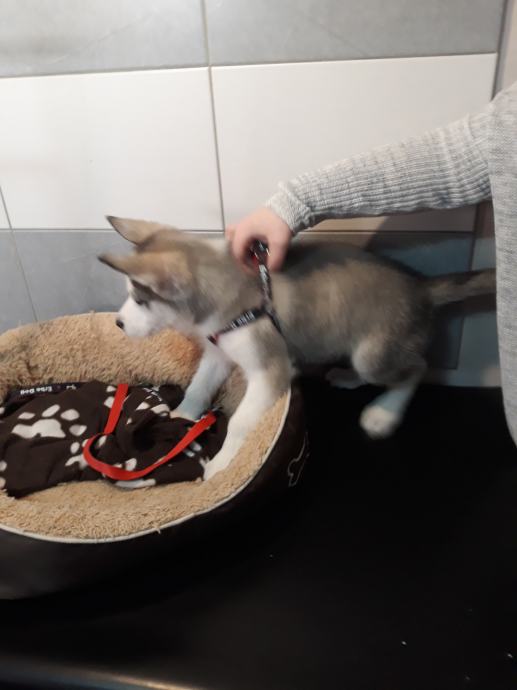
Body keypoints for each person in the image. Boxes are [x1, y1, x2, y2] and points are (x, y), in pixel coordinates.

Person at [226, 81, 517, 442]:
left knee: (373, 362)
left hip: (395, 332)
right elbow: (458, 157)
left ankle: (404, 380)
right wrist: (290, 205)